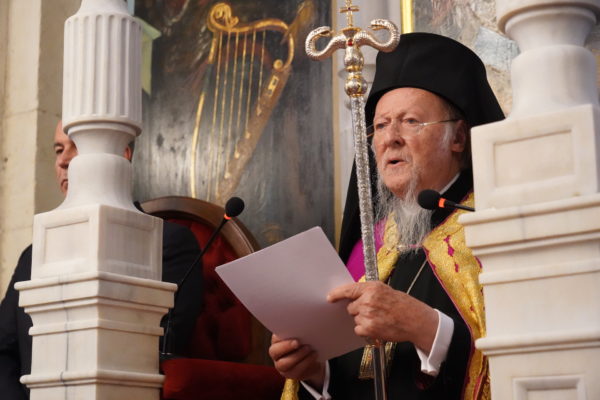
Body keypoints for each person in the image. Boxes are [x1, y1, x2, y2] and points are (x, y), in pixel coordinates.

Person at [269, 32, 504, 400]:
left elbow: (523, 360)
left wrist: (425, 327)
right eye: (379, 125)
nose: (390, 138)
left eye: (410, 121)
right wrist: (315, 373)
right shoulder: (371, 246)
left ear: (458, 137)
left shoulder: (494, 229)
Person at [0, 122, 204, 399]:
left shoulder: (167, 243)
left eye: (77, 146)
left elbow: (153, 348)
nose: (63, 161)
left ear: (121, 155)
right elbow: (3, 352)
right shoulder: (33, 255)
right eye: (58, 149)